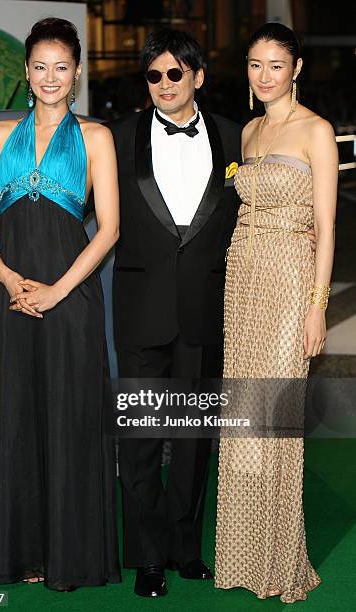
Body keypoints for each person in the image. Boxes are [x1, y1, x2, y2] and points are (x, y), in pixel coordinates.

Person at [0, 18, 121, 591]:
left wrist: (57, 291)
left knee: (72, 414)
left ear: (76, 73)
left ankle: (73, 556)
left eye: (61, 66)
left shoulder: (97, 138)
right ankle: (27, 553)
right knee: (23, 413)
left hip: (71, 294)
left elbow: (107, 230)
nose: (50, 77)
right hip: (13, 295)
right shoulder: (0, 136)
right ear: (25, 72)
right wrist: (8, 279)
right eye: (39, 66)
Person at [109, 28, 242, 597]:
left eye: (175, 73)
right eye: (154, 75)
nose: (164, 84)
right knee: (140, 439)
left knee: (192, 441)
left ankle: (188, 548)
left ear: (198, 78)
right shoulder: (115, 139)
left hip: (204, 310)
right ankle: (147, 558)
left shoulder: (238, 139)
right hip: (140, 309)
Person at [214, 22, 337, 603]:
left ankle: (280, 559)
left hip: (291, 281)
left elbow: (329, 228)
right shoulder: (249, 131)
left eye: (275, 65)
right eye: (255, 65)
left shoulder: (317, 131)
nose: (264, 76)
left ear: (297, 70)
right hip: (243, 277)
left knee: (277, 421)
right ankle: (242, 556)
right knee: (244, 419)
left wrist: (318, 308)